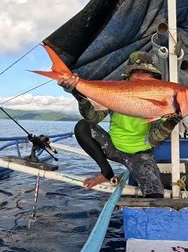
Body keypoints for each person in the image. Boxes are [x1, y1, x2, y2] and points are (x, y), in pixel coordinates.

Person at [58, 51, 181, 198]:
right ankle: (106, 172)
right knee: (82, 126)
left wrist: (173, 120)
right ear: (128, 76)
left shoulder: (160, 102)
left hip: (140, 156)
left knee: (155, 194)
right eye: (136, 72)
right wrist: (78, 95)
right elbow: (92, 118)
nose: (141, 77)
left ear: (154, 78)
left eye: (146, 73)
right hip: (113, 148)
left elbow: (155, 140)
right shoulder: (118, 93)